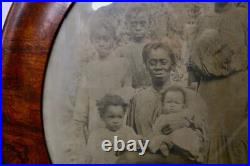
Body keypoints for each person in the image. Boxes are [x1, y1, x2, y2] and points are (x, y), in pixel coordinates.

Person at [117, 41, 208, 163]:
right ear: (145, 65)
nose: (158, 67)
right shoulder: (138, 99)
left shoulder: (190, 96)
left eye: (163, 62)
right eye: (152, 63)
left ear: (172, 64)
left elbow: (203, 137)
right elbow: (130, 134)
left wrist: (183, 123)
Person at [149, 86, 206, 163]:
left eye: (176, 102)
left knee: (189, 135)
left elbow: (195, 122)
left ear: (183, 106)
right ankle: (164, 146)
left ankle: (194, 153)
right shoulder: (161, 118)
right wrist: (156, 135)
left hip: (181, 137)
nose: (172, 105)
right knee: (155, 139)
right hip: (166, 138)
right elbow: (156, 129)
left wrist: (186, 123)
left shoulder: (185, 113)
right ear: (163, 105)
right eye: (169, 102)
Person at [85, 94, 138, 163]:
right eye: (111, 117)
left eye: (120, 117)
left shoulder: (128, 132)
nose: (116, 121)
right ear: (102, 116)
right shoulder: (96, 135)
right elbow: (89, 157)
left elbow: (136, 154)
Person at [115, 6, 152, 89]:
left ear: (149, 24)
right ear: (127, 25)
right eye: (134, 24)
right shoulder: (121, 52)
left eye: (142, 23)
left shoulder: (155, 48)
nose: (138, 28)